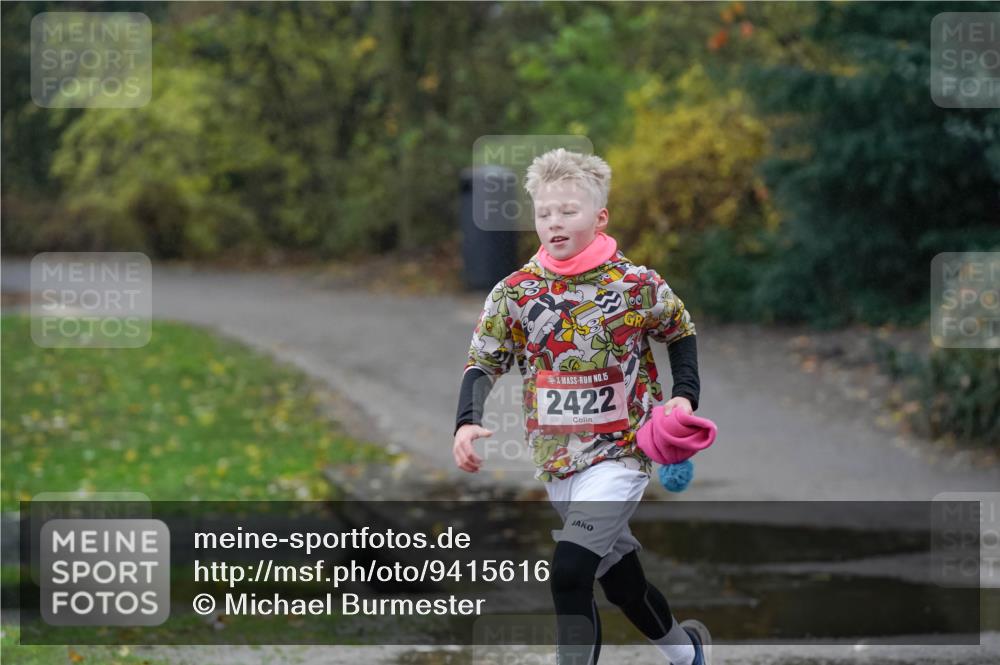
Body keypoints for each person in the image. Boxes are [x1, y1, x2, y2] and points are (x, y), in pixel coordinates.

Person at [453, 148, 712, 665]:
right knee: (623, 584)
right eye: (544, 212)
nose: (554, 222)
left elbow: (680, 331)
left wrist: (684, 394)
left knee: (569, 572)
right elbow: (483, 362)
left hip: (622, 454)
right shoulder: (516, 293)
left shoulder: (635, 285)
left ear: (599, 217)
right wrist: (467, 422)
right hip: (558, 461)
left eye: (568, 211)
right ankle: (688, 654)